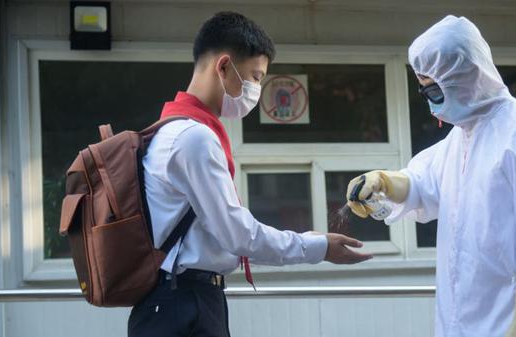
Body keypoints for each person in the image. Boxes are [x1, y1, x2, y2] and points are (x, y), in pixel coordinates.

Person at [128, 11, 372, 337]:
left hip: (176, 300)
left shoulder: (171, 130)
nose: (256, 89)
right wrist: (318, 247)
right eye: (255, 77)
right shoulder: (194, 138)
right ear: (224, 66)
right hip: (184, 303)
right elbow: (239, 235)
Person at [346, 16, 516, 337]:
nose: (431, 104)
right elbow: (421, 183)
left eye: (435, 92)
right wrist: (382, 182)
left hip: (508, 320)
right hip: (458, 319)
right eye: (424, 91)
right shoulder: (460, 138)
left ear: (463, 78)